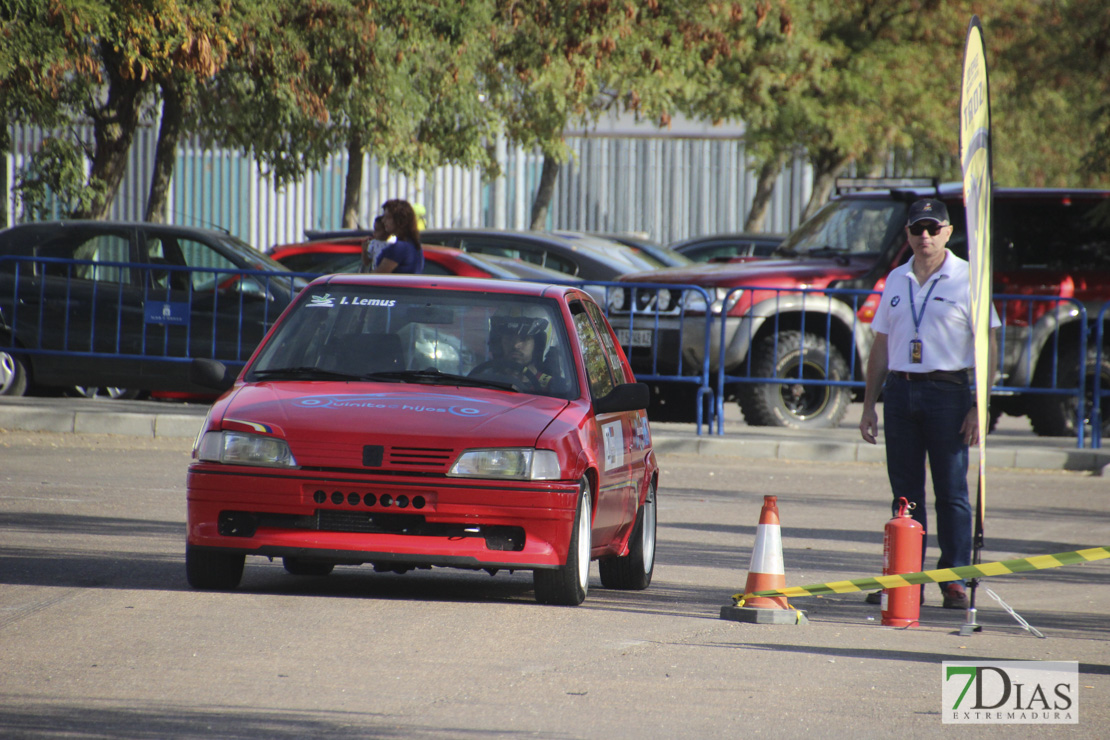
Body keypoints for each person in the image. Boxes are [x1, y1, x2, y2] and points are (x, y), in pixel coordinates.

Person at [859, 198, 1000, 610]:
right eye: (917, 228)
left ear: (948, 232)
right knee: (905, 493)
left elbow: (986, 345)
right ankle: (905, 579)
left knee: (952, 491)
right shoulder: (896, 279)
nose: (925, 236)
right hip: (901, 392)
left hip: (949, 392)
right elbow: (881, 346)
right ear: (907, 233)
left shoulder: (968, 278)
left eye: (932, 228)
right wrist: (869, 404)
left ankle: (954, 579)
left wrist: (980, 404)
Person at [374, 199, 424, 274]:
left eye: (388, 217)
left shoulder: (399, 248)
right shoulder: (414, 245)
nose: (383, 221)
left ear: (400, 220)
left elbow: (377, 277)